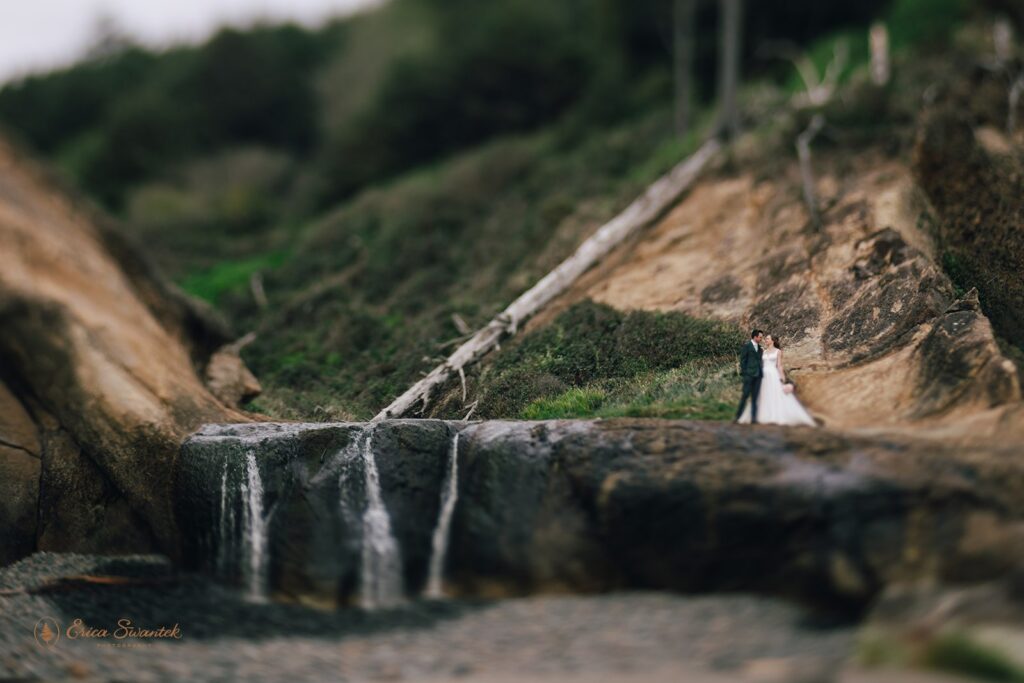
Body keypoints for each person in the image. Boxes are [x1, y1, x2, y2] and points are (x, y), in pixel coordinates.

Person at [736, 334, 816, 427]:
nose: (765, 340)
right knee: (762, 394)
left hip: (773, 375)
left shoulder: (778, 351)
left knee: (775, 394)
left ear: (772, 340)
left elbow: (779, 366)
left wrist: (783, 379)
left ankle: (775, 415)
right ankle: (759, 416)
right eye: (765, 338)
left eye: (767, 338)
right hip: (762, 375)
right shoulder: (763, 351)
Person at [734, 329, 763, 423]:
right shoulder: (747, 346)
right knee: (745, 396)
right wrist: (745, 373)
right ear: (755, 337)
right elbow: (743, 360)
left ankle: (753, 419)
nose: (761, 339)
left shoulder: (760, 348)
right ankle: (737, 417)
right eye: (760, 337)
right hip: (749, 375)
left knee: (755, 398)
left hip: (758, 375)